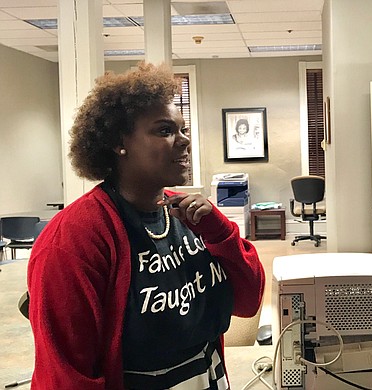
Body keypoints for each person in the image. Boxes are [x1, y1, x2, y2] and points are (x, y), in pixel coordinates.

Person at [27, 62, 265, 389]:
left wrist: (219, 231)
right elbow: (67, 375)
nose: (183, 141)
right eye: (164, 130)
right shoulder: (73, 240)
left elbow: (248, 300)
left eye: (182, 130)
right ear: (118, 143)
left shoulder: (191, 216)